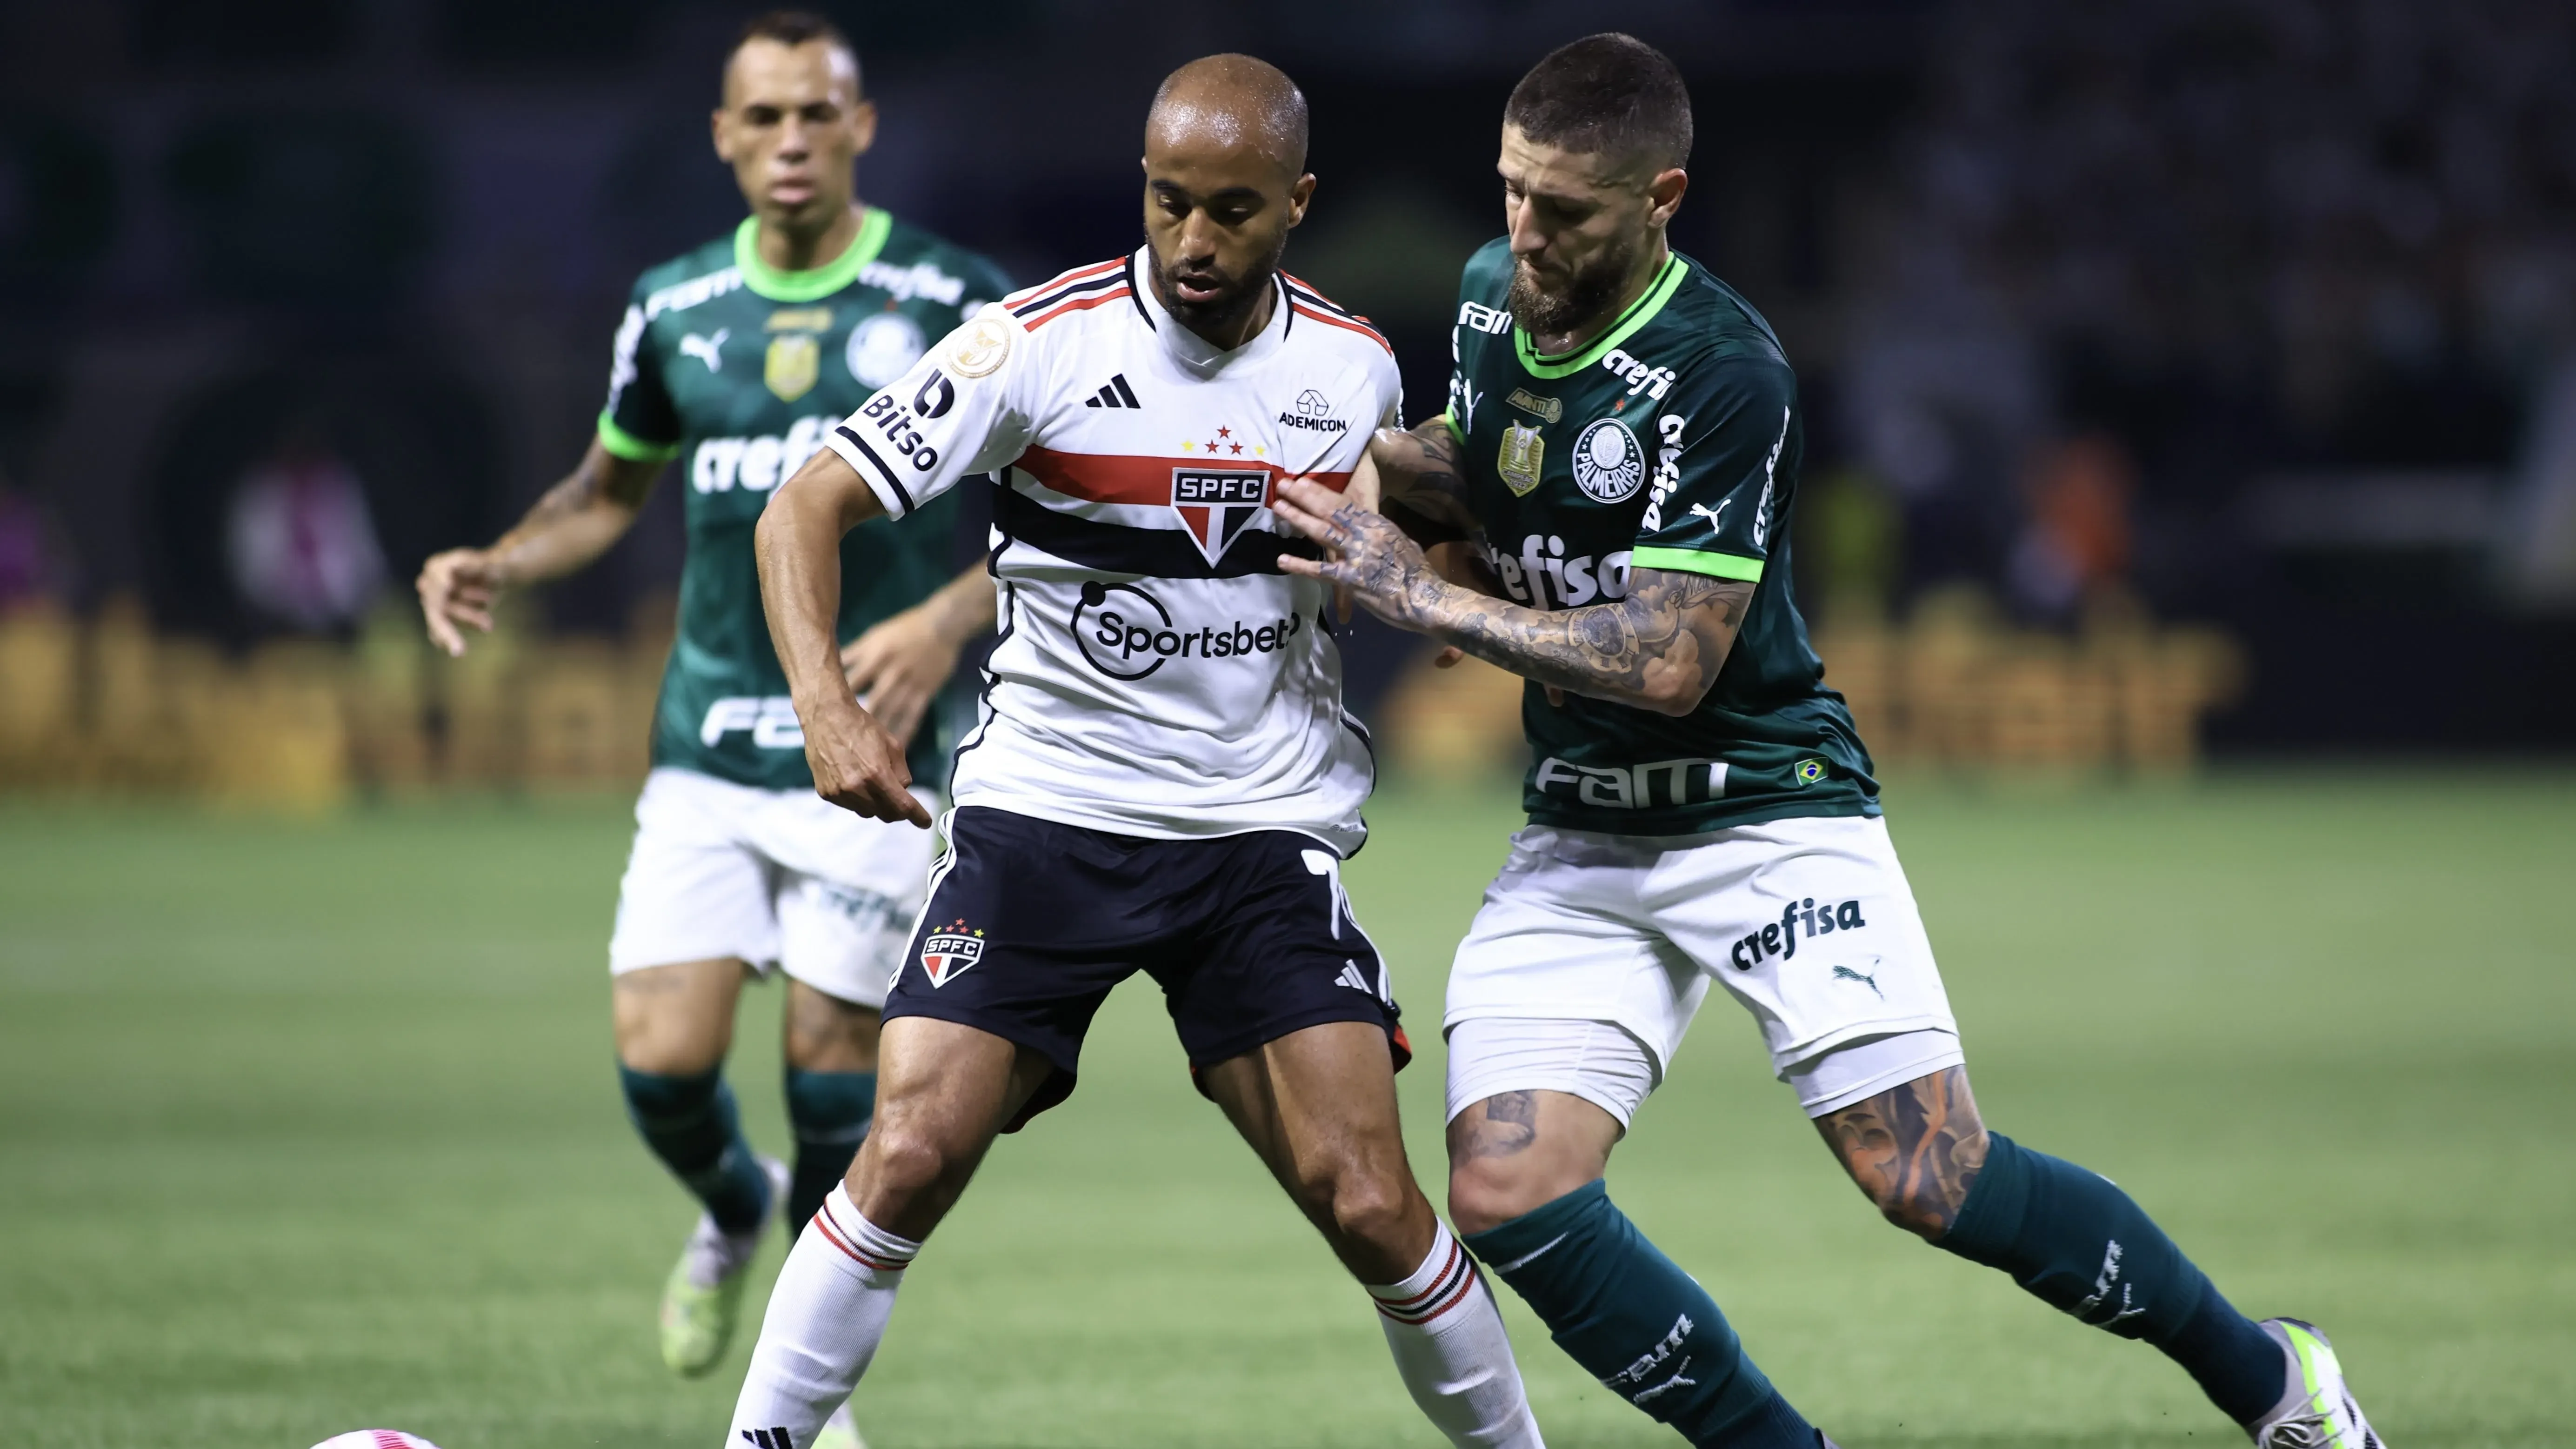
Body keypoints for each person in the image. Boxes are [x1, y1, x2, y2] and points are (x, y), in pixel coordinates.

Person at [1272, 32, 2383, 1449]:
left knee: (1931, 1177)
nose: (1525, 233)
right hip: (1586, 830)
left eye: (1568, 209)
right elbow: (1493, 466)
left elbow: (1671, 663)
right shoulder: (1494, 299)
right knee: (1510, 1197)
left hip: (1765, 807)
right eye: (1510, 192)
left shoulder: (1728, 370)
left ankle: (2274, 1377)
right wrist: (1357, 469)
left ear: (1662, 196)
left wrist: (1420, 593)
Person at [721, 53, 1546, 1449]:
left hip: (1258, 830)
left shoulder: (1350, 364)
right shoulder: (1033, 346)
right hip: (1047, 814)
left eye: (1234, 210)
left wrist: (1453, 574)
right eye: (1170, 203)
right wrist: (826, 706)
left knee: (1368, 1199)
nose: (1195, 241)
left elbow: (1401, 488)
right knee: (911, 1151)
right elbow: (804, 507)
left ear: (1300, 203)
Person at [414, 14, 1009, 1439]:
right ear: (724, 137)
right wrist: (502, 554)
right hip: (707, 748)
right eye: (764, 118)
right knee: (661, 1062)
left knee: (827, 1074)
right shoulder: (674, 308)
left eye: (818, 114)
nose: (791, 141)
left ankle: (809, 1400)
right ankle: (732, 1212)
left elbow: (1068, 510)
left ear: (862, 127)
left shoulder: (954, 295)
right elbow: (608, 493)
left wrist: (943, 622)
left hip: (874, 759)